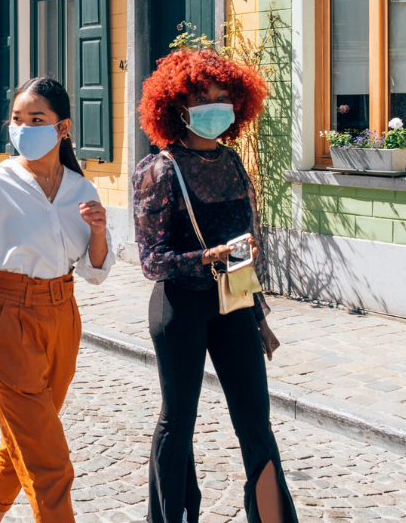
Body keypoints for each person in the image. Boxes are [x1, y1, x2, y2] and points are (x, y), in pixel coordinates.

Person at [131, 49, 299, 523]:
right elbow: (152, 260)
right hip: (179, 308)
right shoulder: (160, 169)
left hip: (235, 305)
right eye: (203, 99)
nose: (214, 107)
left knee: (255, 424)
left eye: (223, 98)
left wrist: (259, 315)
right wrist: (206, 258)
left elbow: (242, 249)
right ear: (178, 107)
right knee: (178, 421)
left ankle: (272, 519)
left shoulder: (233, 164)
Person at [0, 77, 114, 523]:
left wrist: (99, 231)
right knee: (49, 458)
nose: (23, 128)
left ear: (63, 128)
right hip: (9, 318)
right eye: (17, 119)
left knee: (26, 435)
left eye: (36, 119)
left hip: (63, 318)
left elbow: (96, 272)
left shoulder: (82, 189)